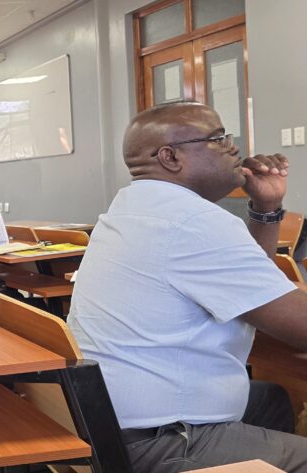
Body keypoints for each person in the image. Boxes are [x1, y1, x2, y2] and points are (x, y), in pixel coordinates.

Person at [67, 102, 307, 472]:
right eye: (217, 138)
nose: (233, 147)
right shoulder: (191, 222)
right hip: (162, 442)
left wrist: (266, 206)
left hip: (108, 422)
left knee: (272, 398)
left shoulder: (132, 208)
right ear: (171, 157)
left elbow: (248, 286)